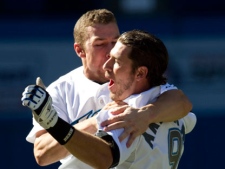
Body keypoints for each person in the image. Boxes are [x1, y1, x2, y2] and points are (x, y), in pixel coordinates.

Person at [24, 9, 192, 167]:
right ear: (79, 50)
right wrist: (94, 121)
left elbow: (182, 102)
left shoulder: (138, 94)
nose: (110, 50)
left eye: (115, 41)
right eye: (100, 44)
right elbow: (42, 154)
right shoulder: (61, 90)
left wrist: (145, 114)